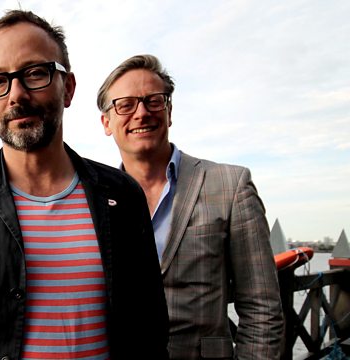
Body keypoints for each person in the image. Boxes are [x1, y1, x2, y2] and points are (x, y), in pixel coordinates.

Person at [0, 10, 169, 360]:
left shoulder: (122, 196)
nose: (16, 94)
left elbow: (150, 334)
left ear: (68, 87)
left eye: (35, 73)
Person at [96, 54, 284, 359]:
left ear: (169, 112)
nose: (141, 113)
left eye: (154, 101)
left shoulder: (230, 185)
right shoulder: (94, 198)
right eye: (125, 105)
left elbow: (262, 307)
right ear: (107, 122)